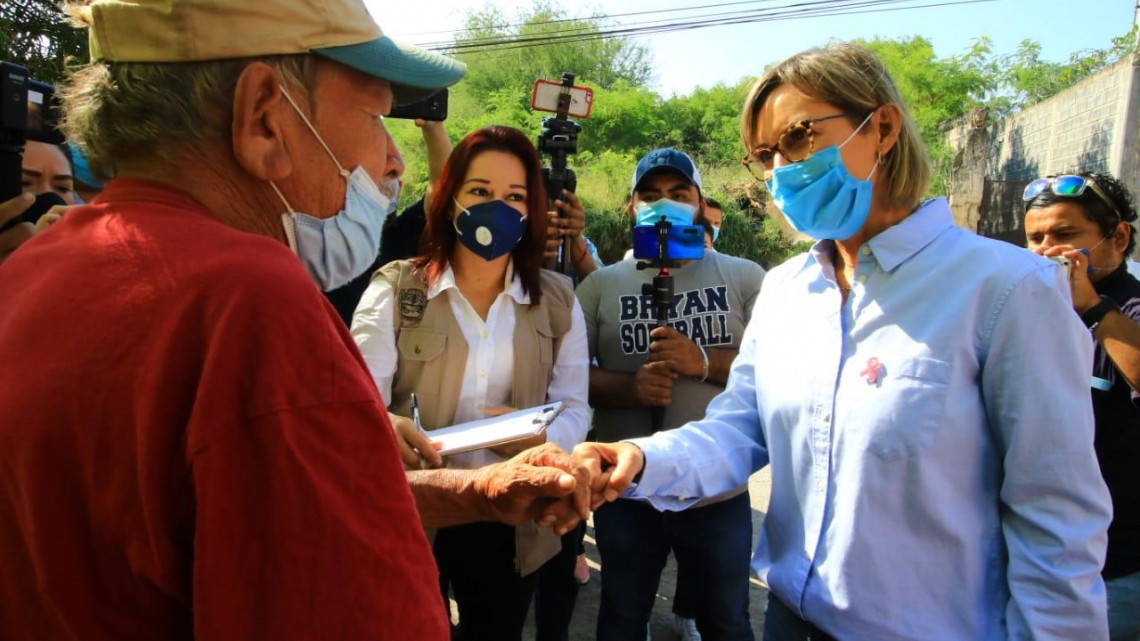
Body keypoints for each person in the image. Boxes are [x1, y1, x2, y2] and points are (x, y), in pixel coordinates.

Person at [0, 2, 590, 639]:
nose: (394, 161)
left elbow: (260, 508)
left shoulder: (30, 271)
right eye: (373, 113)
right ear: (263, 116)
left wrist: (472, 495)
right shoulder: (253, 305)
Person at [575, 43, 1113, 641]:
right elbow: (739, 429)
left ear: (881, 126)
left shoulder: (1009, 291)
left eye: (799, 136)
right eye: (766, 154)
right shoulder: (786, 291)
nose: (782, 168)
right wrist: (639, 460)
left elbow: (1056, 521)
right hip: (789, 619)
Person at [350, 125, 591, 641]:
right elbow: (358, 400)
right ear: (450, 197)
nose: (497, 208)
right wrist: (384, 424)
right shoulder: (396, 289)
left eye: (515, 196)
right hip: (416, 508)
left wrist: (540, 439)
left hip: (511, 513)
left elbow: (575, 407)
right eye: (480, 191)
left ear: (533, 210)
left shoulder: (557, 299)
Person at [576, 147, 764, 641]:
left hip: (718, 495)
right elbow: (566, 377)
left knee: (726, 619)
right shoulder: (599, 286)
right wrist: (627, 388)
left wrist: (700, 361)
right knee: (621, 615)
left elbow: (775, 370)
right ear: (631, 207)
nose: (666, 204)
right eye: (651, 194)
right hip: (626, 490)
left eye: (680, 194)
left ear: (702, 206)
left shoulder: (745, 278)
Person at [1023, 172, 1140, 641]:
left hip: (1115, 574)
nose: (1047, 249)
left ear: (1118, 237)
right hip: (1037, 562)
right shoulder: (1029, 309)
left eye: (1065, 235)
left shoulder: (1126, 309)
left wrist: (1092, 307)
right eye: (1035, 237)